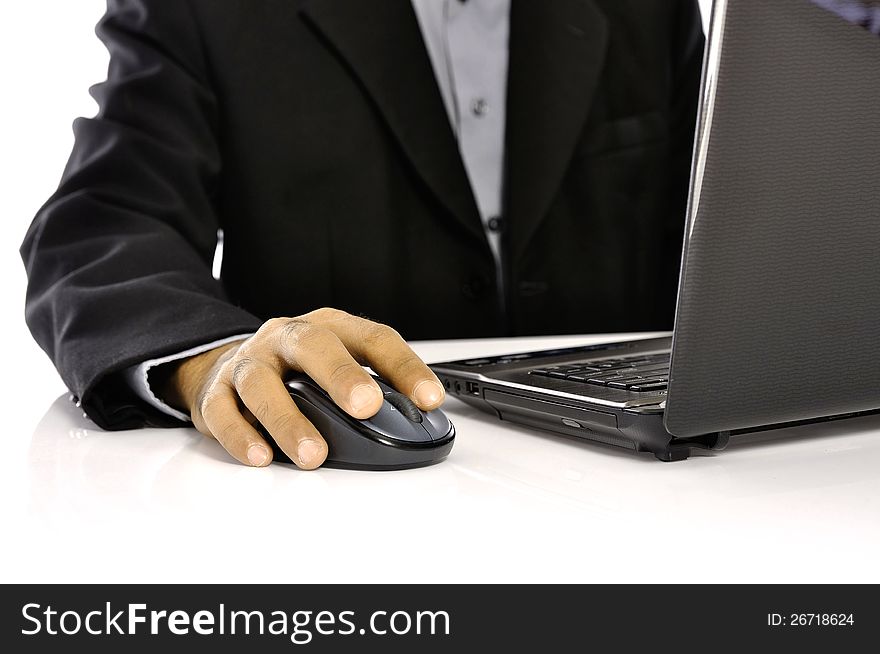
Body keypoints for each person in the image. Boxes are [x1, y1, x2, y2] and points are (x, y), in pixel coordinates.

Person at [21, 0, 704, 470]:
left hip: (650, 484)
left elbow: (727, 201)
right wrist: (212, 360)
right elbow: (101, 227)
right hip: (338, 510)